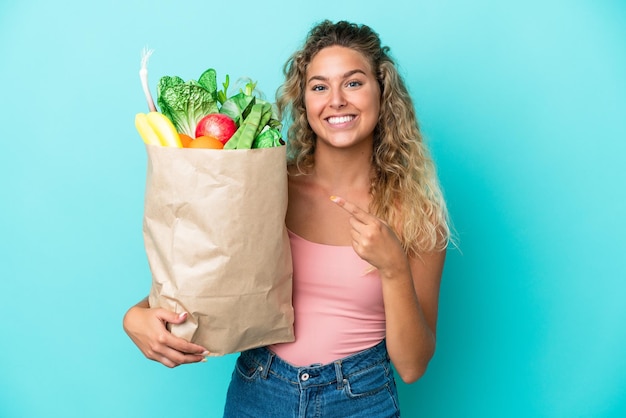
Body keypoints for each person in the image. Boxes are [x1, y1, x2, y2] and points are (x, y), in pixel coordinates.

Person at [123, 19, 451, 417]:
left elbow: (413, 366)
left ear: (382, 93)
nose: (336, 100)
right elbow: (203, 278)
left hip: (360, 399)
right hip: (259, 390)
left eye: (353, 82)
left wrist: (394, 267)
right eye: (319, 86)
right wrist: (135, 317)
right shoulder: (266, 186)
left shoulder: (416, 212)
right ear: (304, 102)